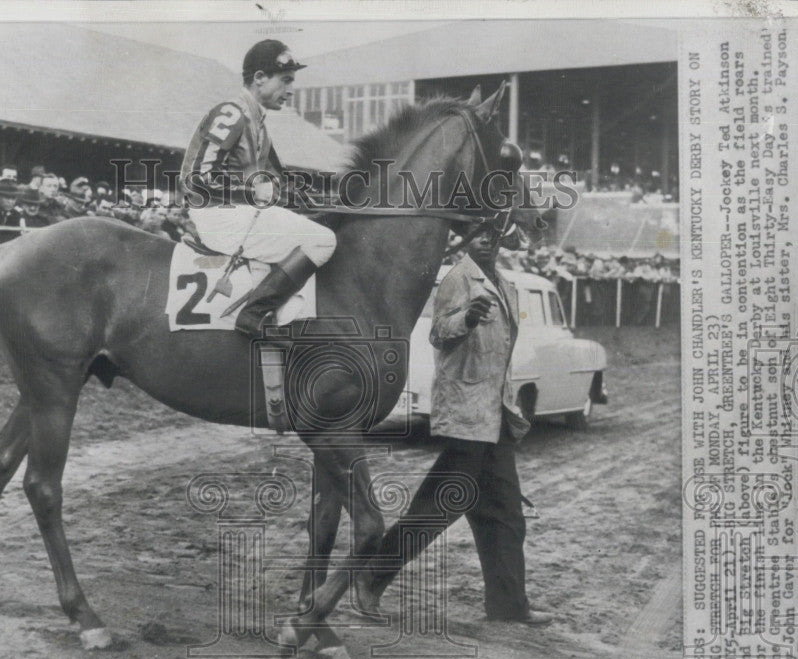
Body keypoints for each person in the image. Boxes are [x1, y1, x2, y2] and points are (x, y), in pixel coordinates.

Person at [356, 229, 553, 626]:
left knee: (506, 516)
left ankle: (508, 605)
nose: (484, 241)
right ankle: (369, 579)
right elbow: (437, 332)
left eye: (491, 235)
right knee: (435, 509)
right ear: (464, 240)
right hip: (466, 415)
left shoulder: (505, 284)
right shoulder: (456, 279)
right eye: (476, 235)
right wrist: (466, 317)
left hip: (493, 416)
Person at [179, 39, 337, 337]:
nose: (291, 90)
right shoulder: (231, 113)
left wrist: (337, 202)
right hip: (217, 215)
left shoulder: (259, 124)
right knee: (323, 241)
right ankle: (254, 313)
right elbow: (197, 179)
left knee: (322, 224)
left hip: (241, 214)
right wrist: (250, 193)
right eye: (286, 80)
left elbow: (285, 185)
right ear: (259, 78)